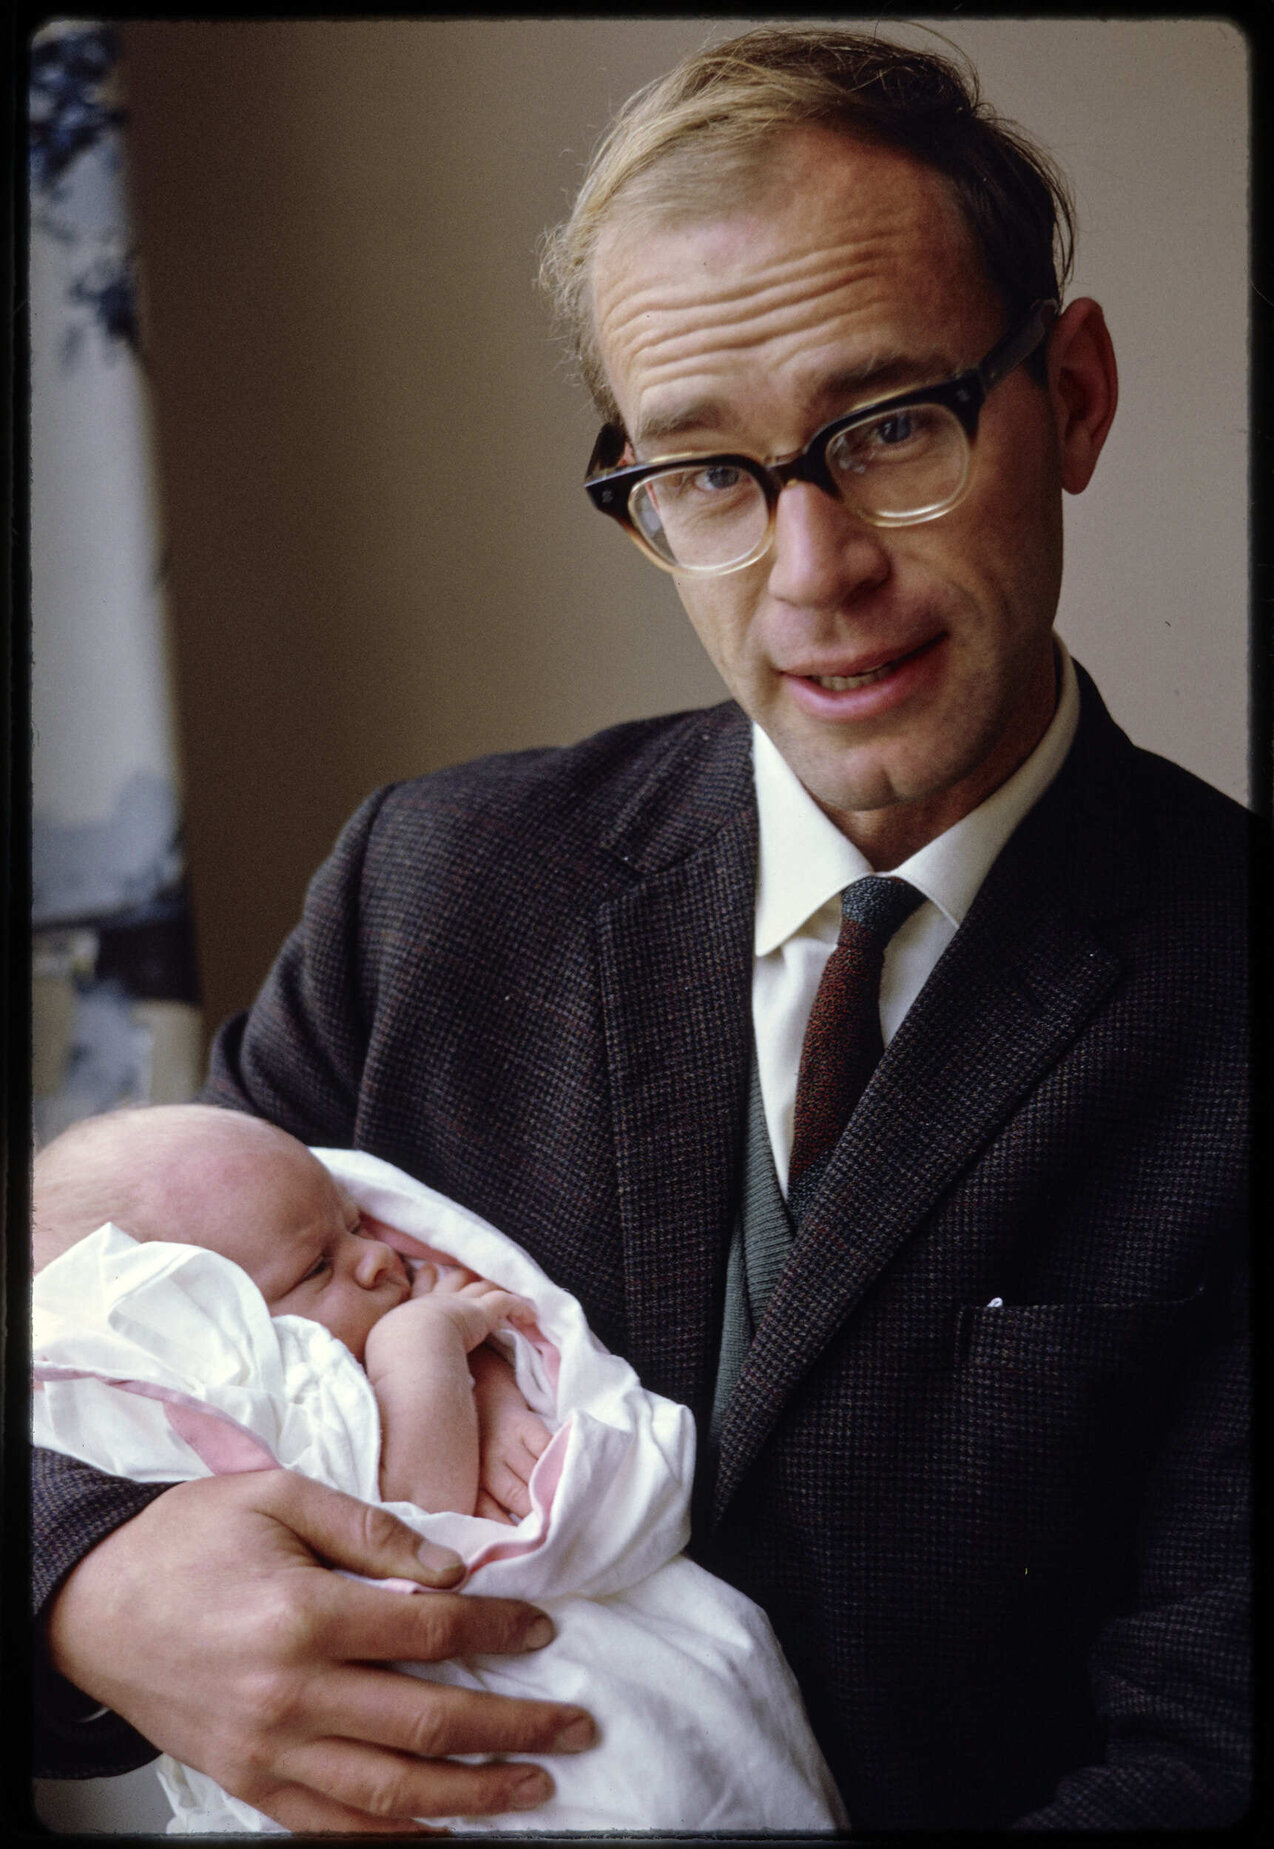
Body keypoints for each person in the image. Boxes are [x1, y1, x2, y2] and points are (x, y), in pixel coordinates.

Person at [32, 24, 1252, 1832]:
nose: (811, 566)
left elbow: (1213, 1747)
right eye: (703, 471)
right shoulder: (423, 881)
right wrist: (85, 1587)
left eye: (890, 425)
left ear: (1067, 394)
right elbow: (84, 1336)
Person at [32, 1105, 845, 1833]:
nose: (382, 1259)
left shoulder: (283, 1255)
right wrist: (422, 1345)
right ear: (202, 1330)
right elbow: (415, 1524)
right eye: (318, 1265)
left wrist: (491, 1374)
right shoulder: (243, 1420)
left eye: (357, 1222)